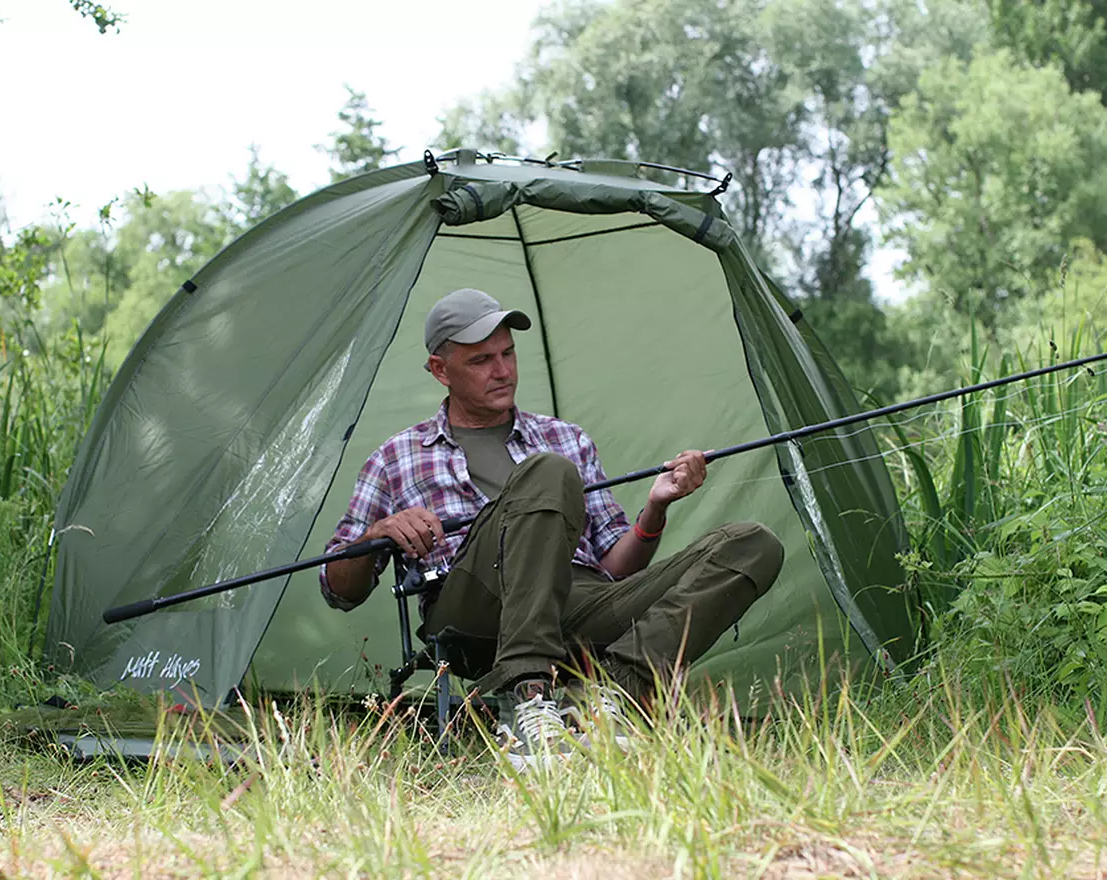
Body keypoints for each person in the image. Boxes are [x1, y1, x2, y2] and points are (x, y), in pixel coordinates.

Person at [320, 288, 783, 770]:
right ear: (440, 370)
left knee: (752, 545)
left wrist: (656, 508)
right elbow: (337, 590)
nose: (502, 371)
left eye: (508, 354)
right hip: (473, 608)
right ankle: (528, 698)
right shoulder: (396, 457)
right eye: (481, 361)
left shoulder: (567, 437)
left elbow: (615, 569)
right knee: (550, 472)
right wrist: (378, 532)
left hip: (575, 597)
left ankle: (613, 695)